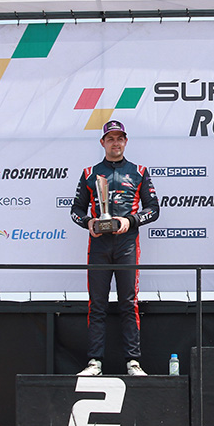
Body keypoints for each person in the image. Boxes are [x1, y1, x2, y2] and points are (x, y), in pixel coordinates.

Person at [70, 120, 160, 376]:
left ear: (126, 141)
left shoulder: (139, 171)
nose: (116, 143)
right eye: (110, 138)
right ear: (103, 142)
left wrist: (129, 221)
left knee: (128, 303)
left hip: (127, 245)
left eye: (120, 138)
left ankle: (133, 362)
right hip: (99, 245)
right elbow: (76, 210)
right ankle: (94, 363)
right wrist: (89, 222)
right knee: (97, 304)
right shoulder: (90, 173)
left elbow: (153, 210)